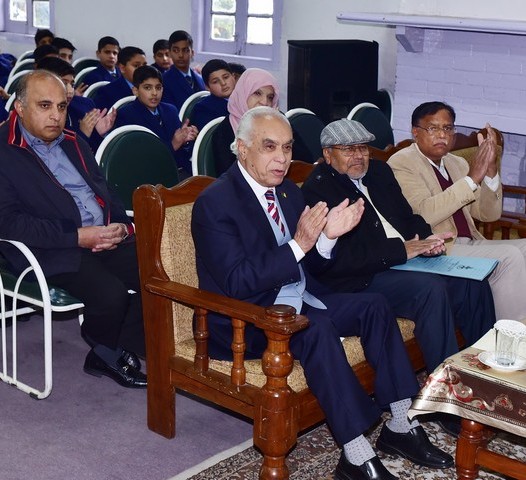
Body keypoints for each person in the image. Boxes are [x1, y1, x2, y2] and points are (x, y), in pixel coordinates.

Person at [191, 106, 453, 480]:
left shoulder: (286, 192)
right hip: (246, 315)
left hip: (299, 296)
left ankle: (399, 424)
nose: (282, 158)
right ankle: (356, 453)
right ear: (242, 148)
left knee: (375, 305)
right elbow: (237, 281)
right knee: (314, 328)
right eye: (269, 147)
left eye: (287, 147)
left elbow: (312, 265)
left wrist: (327, 238)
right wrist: (299, 244)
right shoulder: (216, 202)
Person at [301, 119, 496, 371]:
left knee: (473, 281)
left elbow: (407, 217)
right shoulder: (318, 189)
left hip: (405, 261)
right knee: (430, 289)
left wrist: (426, 240)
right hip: (363, 277)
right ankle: (444, 382)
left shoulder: (379, 172)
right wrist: (401, 251)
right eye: (348, 149)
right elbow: (344, 256)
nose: (358, 156)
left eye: (363, 148)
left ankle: (484, 370)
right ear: (328, 154)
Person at [0, 70, 146, 388]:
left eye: (62, 106)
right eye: (45, 106)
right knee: (111, 294)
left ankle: (127, 341)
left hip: (101, 236)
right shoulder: (4, 151)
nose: (56, 115)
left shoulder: (72, 141)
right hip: (48, 248)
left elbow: (104, 191)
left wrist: (122, 227)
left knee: (160, 272)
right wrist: (77, 236)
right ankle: (105, 353)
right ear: (20, 108)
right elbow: (9, 223)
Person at [388, 101, 526, 322]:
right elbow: (424, 214)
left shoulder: (457, 163)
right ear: (415, 132)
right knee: (509, 257)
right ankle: (508, 336)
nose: (442, 135)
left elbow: (488, 215)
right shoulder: (401, 163)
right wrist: (471, 179)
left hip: (470, 242)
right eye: (433, 128)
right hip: (437, 250)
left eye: (448, 128)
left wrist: (490, 172)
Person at [115, 65, 198, 177]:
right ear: (135, 91)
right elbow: (138, 158)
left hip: (180, 170)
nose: (154, 93)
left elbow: (182, 151)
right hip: (149, 176)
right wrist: (173, 144)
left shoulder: (170, 110)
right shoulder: (126, 115)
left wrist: (186, 139)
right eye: (148, 88)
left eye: (158, 88)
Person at [211, 67, 279, 177]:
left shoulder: (279, 123)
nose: (264, 102)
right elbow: (228, 177)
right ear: (243, 93)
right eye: (257, 93)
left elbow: (303, 163)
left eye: (270, 97)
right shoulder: (224, 132)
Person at [37, 56, 115, 151]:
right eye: (64, 83)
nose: (70, 91)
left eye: (72, 84)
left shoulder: (84, 106)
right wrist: (82, 134)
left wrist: (97, 132)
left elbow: (95, 153)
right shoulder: (37, 116)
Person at [161, 30, 205, 110]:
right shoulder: (164, 81)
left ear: (192, 53)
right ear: (170, 53)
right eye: (176, 51)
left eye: (185, 50)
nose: (180, 55)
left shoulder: (201, 79)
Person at [93, 46, 147, 111]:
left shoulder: (153, 89)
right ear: (122, 68)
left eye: (144, 65)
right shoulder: (107, 92)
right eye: (136, 66)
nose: (143, 70)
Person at [191, 59, 235, 130]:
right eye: (215, 82)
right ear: (207, 87)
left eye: (226, 77)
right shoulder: (202, 109)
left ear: (233, 77)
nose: (223, 83)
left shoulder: (246, 99)